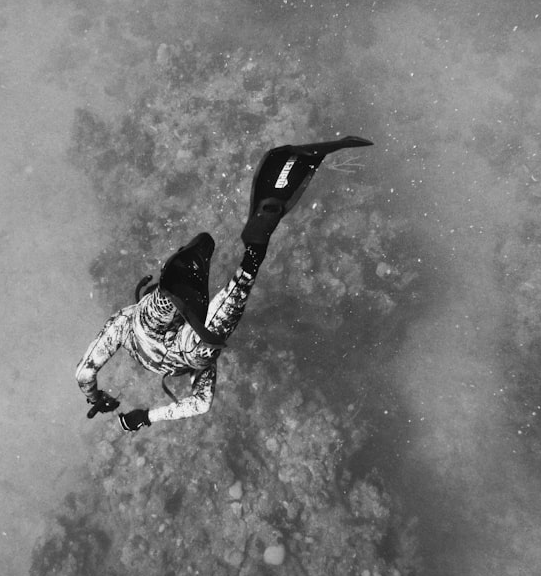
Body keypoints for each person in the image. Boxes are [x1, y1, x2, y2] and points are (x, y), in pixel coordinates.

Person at [74, 136, 373, 431]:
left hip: (176, 346)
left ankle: (245, 260)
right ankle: (186, 283)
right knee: (187, 340)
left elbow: (200, 404)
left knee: (198, 342)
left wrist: (135, 412)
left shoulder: (125, 325)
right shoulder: (124, 325)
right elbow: (84, 374)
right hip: (172, 341)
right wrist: (112, 401)